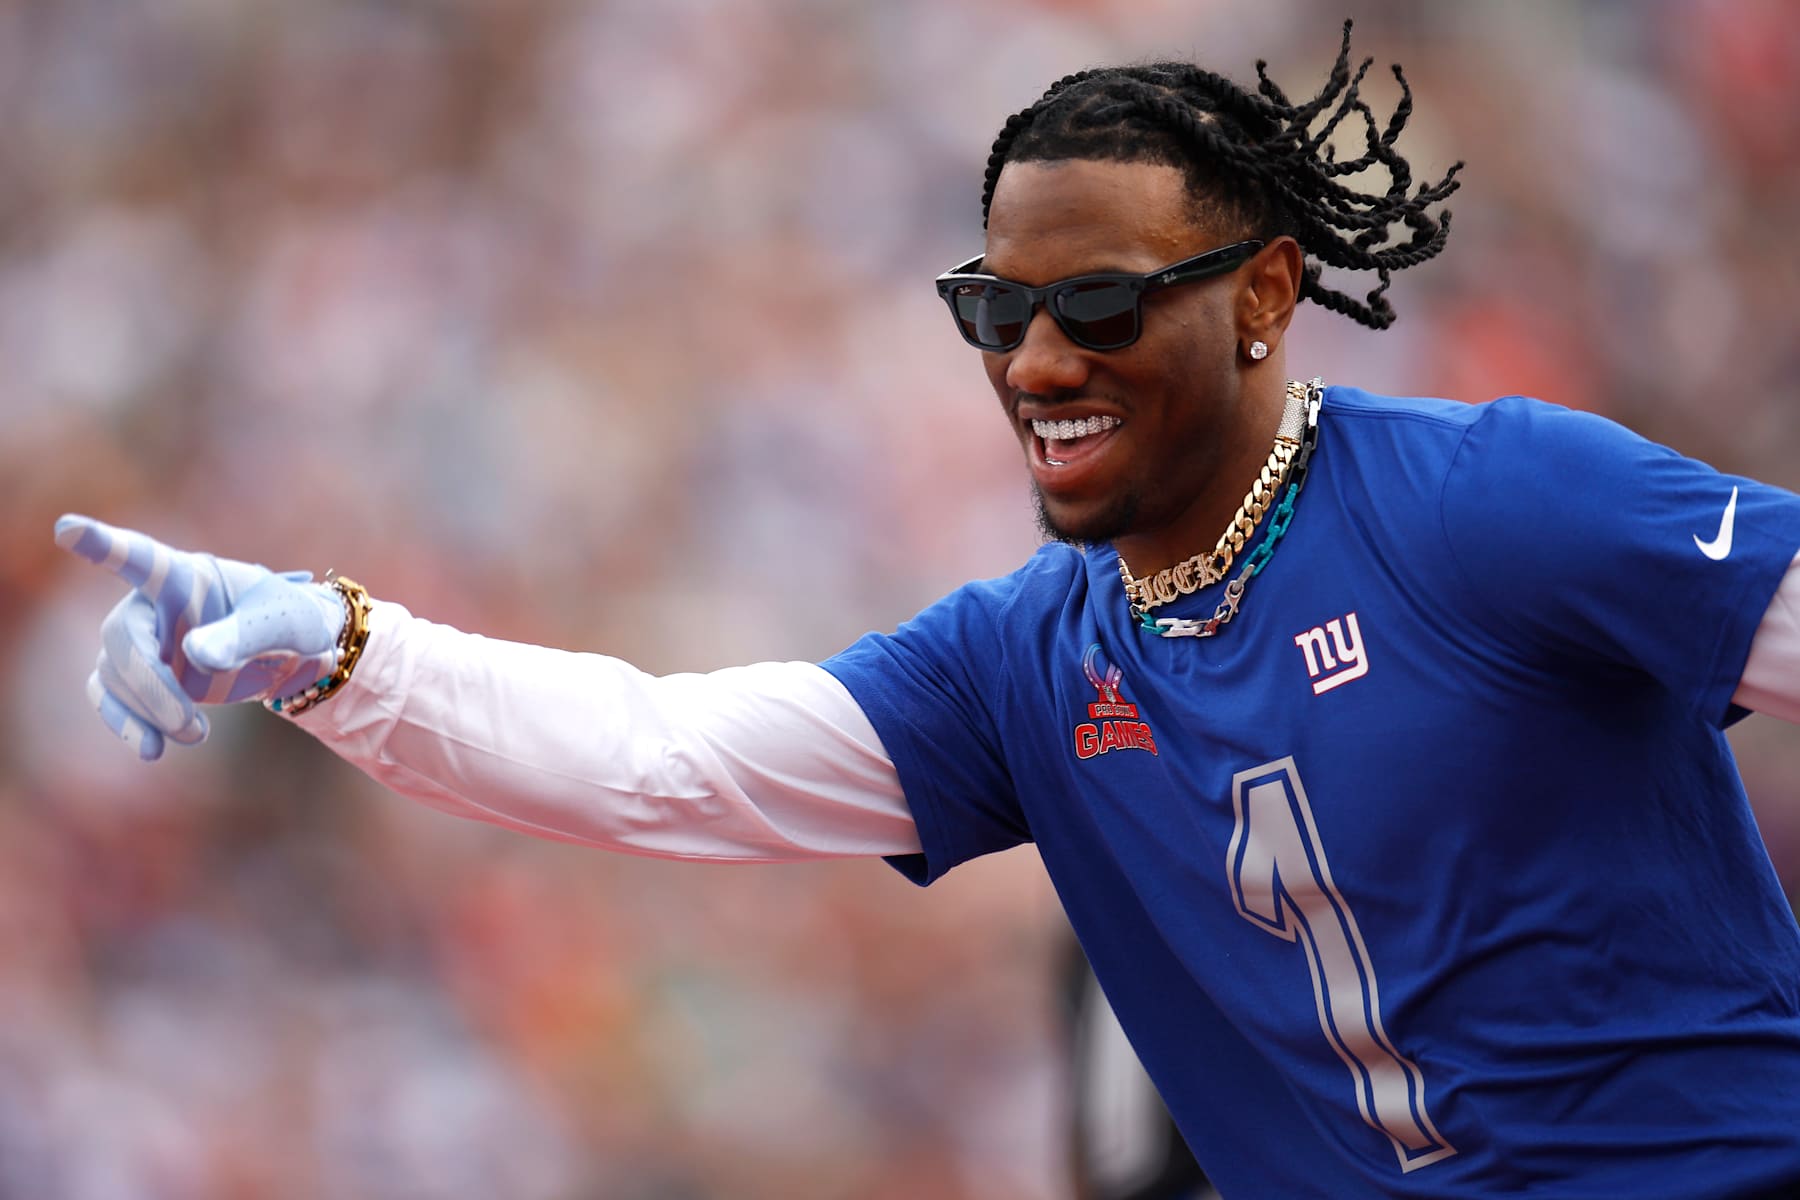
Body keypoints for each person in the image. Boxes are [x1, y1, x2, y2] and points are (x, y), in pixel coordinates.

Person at [53, 21, 1800, 1198]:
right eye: (995, 309)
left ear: (1267, 293)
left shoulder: (1490, 504)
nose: (1036, 363)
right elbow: (658, 759)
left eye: (1098, 305)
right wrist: (342, 646)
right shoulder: (1028, 662)